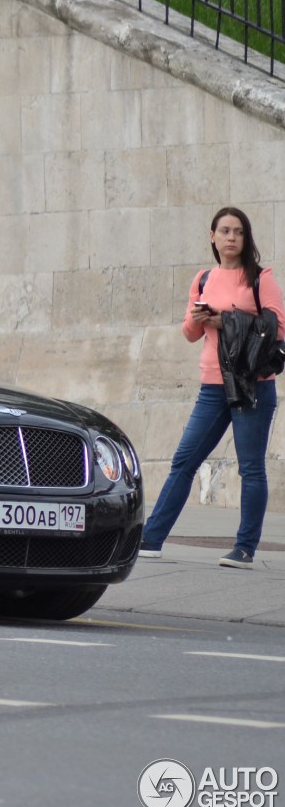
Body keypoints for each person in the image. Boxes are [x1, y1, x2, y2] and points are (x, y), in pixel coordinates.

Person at [139, 207, 284, 568]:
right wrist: (198, 317)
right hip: (212, 386)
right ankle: (151, 539)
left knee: (250, 468)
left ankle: (245, 547)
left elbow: (278, 328)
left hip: (252, 385)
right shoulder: (203, 279)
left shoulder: (259, 278)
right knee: (183, 461)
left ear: (245, 238)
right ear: (212, 237)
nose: (231, 237)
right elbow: (190, 334)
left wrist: (228, 320)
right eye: (224, 231)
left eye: (237, 231)